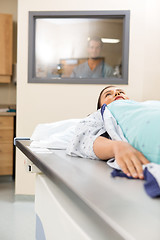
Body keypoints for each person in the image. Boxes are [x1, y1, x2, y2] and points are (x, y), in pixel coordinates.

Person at [66, 86, 155, 180]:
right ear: (100, 106)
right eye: (108, 94)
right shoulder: (99, 116)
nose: (117, 93)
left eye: (121, 92)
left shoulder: (141, 108)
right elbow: (84, 139)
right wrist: (117, 147)